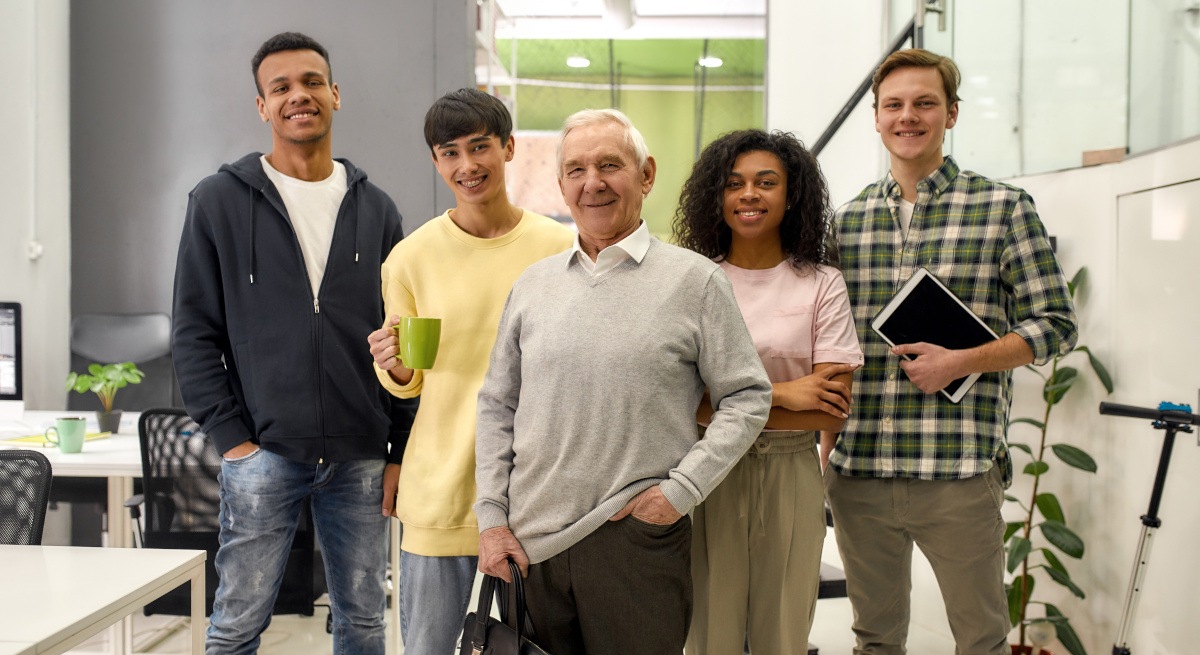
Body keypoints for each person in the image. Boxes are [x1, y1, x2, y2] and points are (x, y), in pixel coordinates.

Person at [473, 109, 774, 655]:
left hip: (634, 540)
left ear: (646, 174)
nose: (593, 183)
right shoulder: (533, 286)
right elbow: (497, 405)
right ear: (561, 184)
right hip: (528, 545)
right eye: (576, 169)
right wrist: (492, 519)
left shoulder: (695, 281)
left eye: (610, 164)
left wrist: (680, 493)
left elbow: (748, 397)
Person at [826, 48, 1078, 655]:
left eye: (924, 103)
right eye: (894, 105)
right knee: (874, 640)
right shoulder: (847, 221)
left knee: (981, 640)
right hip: (860, 472)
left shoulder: (1004, 209)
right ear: (878, 118)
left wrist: (961, 360)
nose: (907, 116)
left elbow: (1058, 324)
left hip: (958, 474)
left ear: (952, 114)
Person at [172, 32, 414, 654]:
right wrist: (235, 441)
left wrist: (397, 450)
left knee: (363, 624)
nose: (297, 96)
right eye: (280, 87)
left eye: (311, 82)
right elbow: (193, 333)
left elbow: (404, 338)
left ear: (335, 94)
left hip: (360, 454)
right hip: (264, 454)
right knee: (236, 626)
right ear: (262, 106)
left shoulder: (378, 210)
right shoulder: (218, 201)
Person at [365, 88, 574, 654]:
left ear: (509, 148)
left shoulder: (561, 249)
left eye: (479, 147)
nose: (466, 165)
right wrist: (397, 367)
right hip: (441, 490)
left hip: (538, 495)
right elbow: (409, 381)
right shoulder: (410, 257)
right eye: (449, 152)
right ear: (435, 162)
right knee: (429, 648)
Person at [672, 129, 863, 654]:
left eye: (765, 182)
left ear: (791, 194)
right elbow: (678, 402)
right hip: (708, 469)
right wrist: (782, 394)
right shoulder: (693, 281)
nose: (748, 195)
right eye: (734, 184)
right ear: (717, 197)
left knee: (784, 632)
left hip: (791, 471)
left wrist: (726, 398)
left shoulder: (821, 283)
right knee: (710, 631)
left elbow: (828, 407)